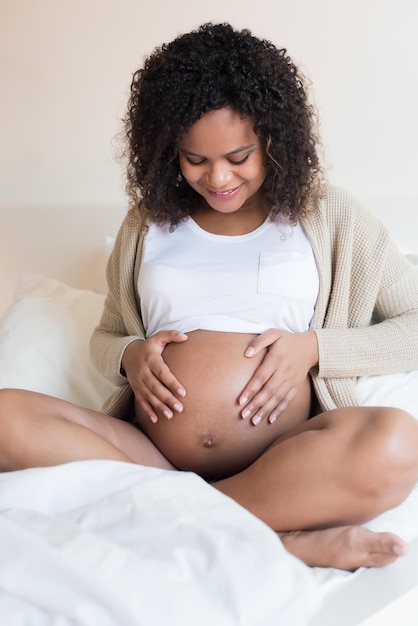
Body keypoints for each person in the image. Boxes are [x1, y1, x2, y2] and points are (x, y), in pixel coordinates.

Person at [1, 22, 418, 571]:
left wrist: (314, 349)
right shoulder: (147, 224)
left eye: (238, 156)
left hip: (283, 461)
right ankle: (277, 540)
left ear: (274, 138)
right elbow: (107, 335)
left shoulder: (331, 216)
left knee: (395, 442)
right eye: (195, 159)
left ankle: (172, 520)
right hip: (149, 461)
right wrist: (129, 355)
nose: (217, 177)